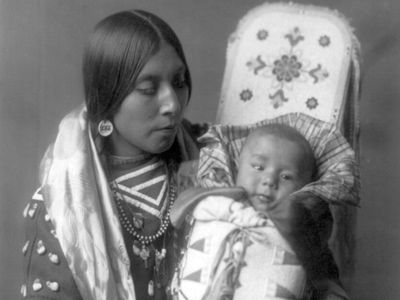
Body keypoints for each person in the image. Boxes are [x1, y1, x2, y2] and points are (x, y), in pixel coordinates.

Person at [21, 10, 207, 300]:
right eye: (148, 89)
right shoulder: (59, 207)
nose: (172, 103)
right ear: (108, 97)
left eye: (179, 82)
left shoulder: (211, 158)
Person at [171, 124, 348, 300]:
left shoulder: (302, 230)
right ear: (237, 165)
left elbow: (325, 279)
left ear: (304, 187)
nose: (269, 180)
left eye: (286, 177)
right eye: (258, 167)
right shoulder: (215, 202)